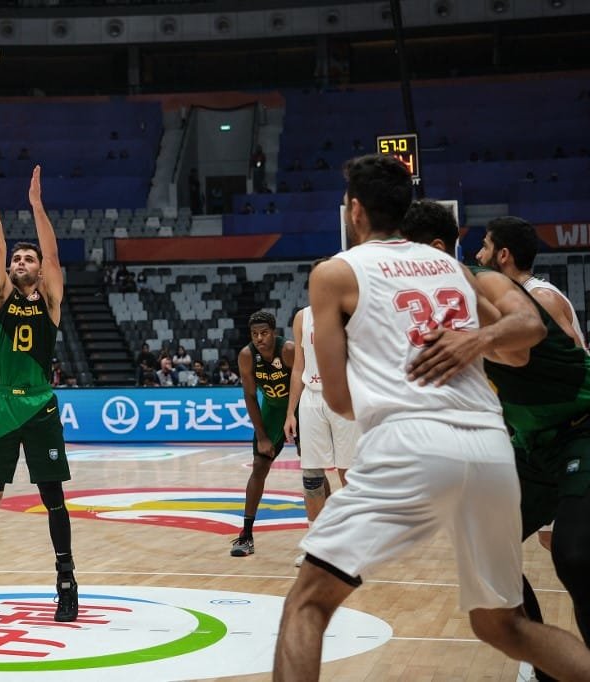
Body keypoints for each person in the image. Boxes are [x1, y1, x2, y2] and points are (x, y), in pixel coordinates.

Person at [273, 154, 590, 681]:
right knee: (504, 626)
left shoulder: (334, 273)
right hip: (490, 448)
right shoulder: (455, 269)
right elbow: (521, 345)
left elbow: (339, 399)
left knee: (307, 604)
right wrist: (474, 343)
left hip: (410, 443)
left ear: (355, 211)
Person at [404, 199, 590, 681]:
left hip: (579, 427)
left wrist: (474, 342)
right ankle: (548, 664)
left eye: (485, 246)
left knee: (573, 554)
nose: (480, 253)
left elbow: (534, 350)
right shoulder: (450, 302)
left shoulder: (519, 291)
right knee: (483, 548)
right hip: (534, 440)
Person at [0, 165, 78, 624]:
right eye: (17, 259)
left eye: (29, 259)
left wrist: (37, 205)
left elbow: (53, 252)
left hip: (40, 404)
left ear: (40, 269)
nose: (21, 262)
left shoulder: (50, 300)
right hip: (2, 405)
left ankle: (66, 582)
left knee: (53, 496)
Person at [283, 270, 362, 567]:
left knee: (348, 474)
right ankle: (315, 546)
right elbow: (297, 367)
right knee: (311, 476)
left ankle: (353, 543)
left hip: (344, 396)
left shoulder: (351, 313)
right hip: (311, 399)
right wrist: (291, 412)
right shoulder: (302, 317)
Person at [231, 310, 294, 557]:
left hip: (298, 406)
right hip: (273, 409)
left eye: (264, 333)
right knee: (259, 465)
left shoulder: (287, 350)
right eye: (254, 334)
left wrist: (294, 415)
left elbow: (302, 382)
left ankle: (325, 534)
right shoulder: (247, 356)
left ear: (274, 333)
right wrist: (263, 436)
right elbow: (250, 395)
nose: (259, 338)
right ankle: (246, 535)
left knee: (313, 469)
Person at [476, 216, 587, 350]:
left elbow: (576, 356)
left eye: (485, 247)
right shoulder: (517, 295)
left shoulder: (542, 299)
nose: (478, 255)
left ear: (503, 255)